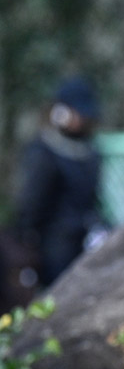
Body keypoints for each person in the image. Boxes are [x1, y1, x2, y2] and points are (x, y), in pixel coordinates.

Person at [11, 76, 106, 290]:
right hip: (51, 251)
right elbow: (31, 205)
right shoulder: (43, 152)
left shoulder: (89, 151)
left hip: (81, 246)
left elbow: (92, 199)